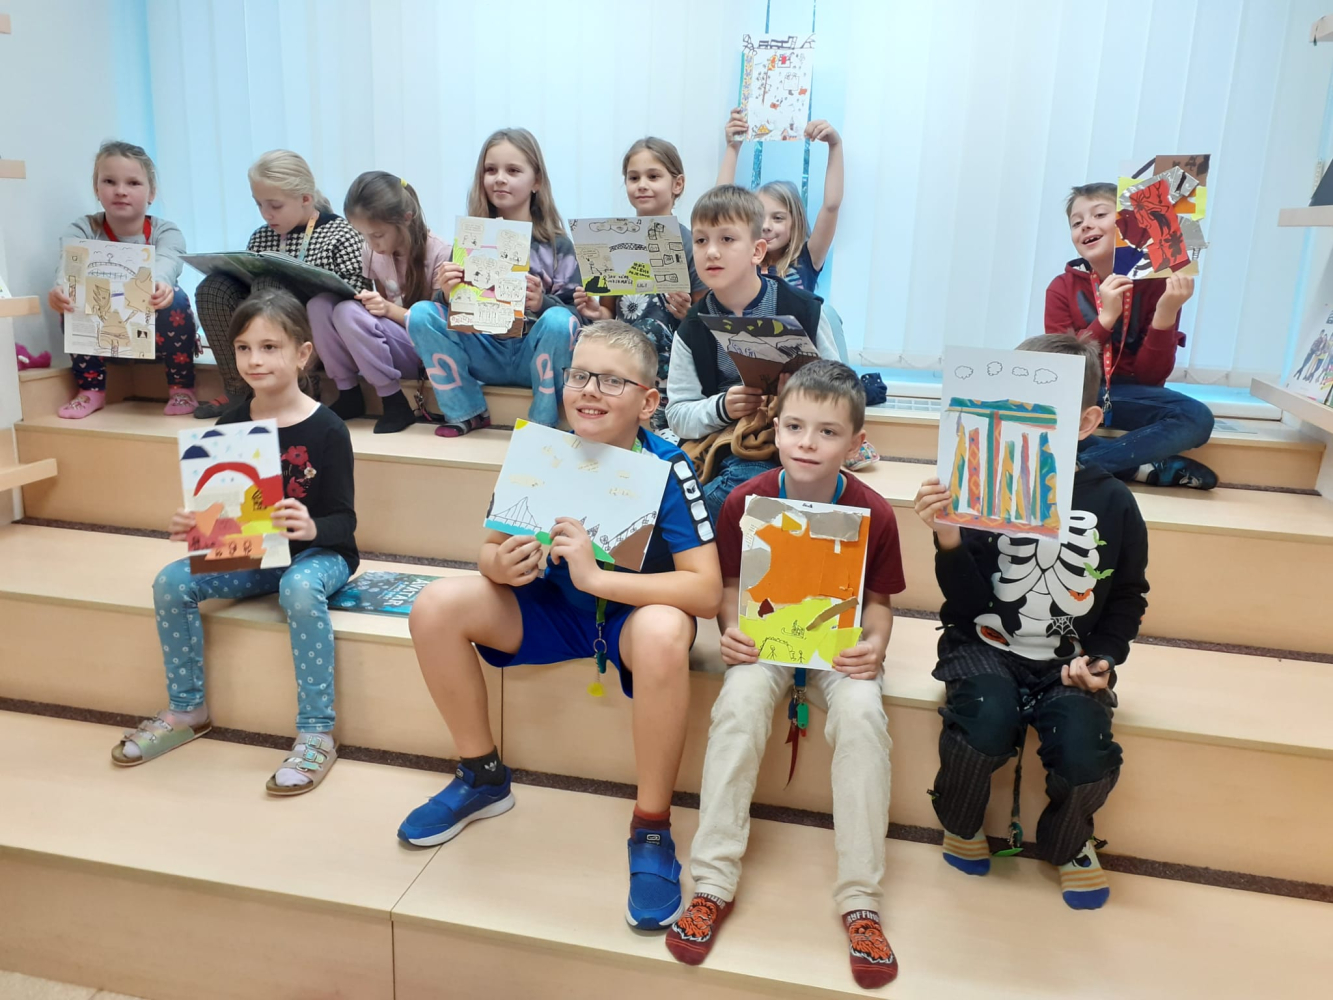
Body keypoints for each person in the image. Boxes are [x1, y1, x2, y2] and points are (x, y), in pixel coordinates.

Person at [396, 320, 721, 931]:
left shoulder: (667, 466)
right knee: (434, 605)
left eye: (612, 381)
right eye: (579, 376)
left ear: (649, 402)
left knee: (663, 631)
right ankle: (481, 776)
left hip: (628, 620)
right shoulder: (542, 452)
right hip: (549, 611)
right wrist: (500, 564)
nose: (590, 390)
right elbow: (488, 550)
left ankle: (651, 826)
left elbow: (704, 591)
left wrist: (600, 581)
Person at [666, 361, 903, 989]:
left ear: (855, 442)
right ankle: (712, 882)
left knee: (863, 717)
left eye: (828, 432)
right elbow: (729, 588)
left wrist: (875, 647)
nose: (807, 442)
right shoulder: (744, 501)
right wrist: (730, 629)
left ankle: (861, 900)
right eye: (795, 426)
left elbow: (880, 604)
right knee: (739, 706)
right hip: (766, 645)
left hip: (840, 648)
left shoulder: (874, 512)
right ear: (775, 427)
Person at [913, 334, 1149, 910]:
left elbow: (1128, 596)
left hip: (1069, 659)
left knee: (1086, 749)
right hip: (983, 643)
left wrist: (1105, 658)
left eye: (1048, 406)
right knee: (984, 717)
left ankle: (1069, 840)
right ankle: (961, 819)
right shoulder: (977, 489)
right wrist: (948, 539)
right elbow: (966, 604)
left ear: (1087, 420)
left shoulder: (1115, 502)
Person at [111, 289, 359, 795]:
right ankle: (187, 710)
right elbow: (227, 511)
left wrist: (312, 528)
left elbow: (345, 521)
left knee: (298, 588)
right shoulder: (231, 424)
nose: (254, 360)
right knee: (171, 582)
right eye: (244, 348)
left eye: (269, 347)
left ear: (302, 354)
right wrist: (197, 523)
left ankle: (317, 731)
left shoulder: (328, 428)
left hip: (321, 555)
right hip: (256, 555)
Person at [665, 185, 839, 522]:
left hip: (797, 439)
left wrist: (799, 396)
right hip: (729, 441)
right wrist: (722, 406)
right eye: (700, 240)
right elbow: (678, 414)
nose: (711, 252)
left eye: (727, 239)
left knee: (742, 486)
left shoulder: (803, 310)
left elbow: (842, 391)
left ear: (757, 251)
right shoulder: (692, 327)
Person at [406, 128, 581, 437]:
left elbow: (578, 319)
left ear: (536, 181)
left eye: (513, 170)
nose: (499, 178)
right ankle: (465, 412)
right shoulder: (470, 241)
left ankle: (543, 422)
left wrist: (543, 303)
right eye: (490, 170)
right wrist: (445, 294)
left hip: (534, 357)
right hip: (483, 351)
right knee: (420, 313)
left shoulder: (559, 247)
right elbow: (448, 312)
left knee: (558, 320)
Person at [1045, 182, 1215, 489]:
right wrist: (1105, 319)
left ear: (1129, 224)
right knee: (1040, 411)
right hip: (1081, 392)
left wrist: (1166, 313)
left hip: (1131, 394)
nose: (1086, 226)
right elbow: (1063, 369)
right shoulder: (1061, 287)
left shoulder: (1158, 284)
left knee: (1196, 417)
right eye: (1076, 222)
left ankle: (1081, 466)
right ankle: (1135, 467)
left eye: (1099, 214)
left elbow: (1151, 378)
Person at [193, 150, 367, 418]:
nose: (266, 214)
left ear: (305, 199)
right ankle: (239, 389)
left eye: (275, 206)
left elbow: (356, 299)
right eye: (259, 205)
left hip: (317, 340)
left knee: (269, 287)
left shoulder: (341, 234)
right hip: (266, 332)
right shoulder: (262, 237)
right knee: (212, 288)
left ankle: (299, 387)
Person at [48, 140, 200, 419]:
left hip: (156, 341)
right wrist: (61, 290)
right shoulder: (83, 228)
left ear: (151, 193)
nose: (120, 191)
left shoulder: (166, 232)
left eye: (133, 183)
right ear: (97, 189)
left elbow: (168, 260)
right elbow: (69, 265)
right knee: (73, 297)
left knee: (174, 297)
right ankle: (90, 388)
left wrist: (160, 284)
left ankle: (181, 388)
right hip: (104, 339)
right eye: (109, 181)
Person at [573, 137, 707, 433]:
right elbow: (610, 313)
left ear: (677, 184)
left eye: (653, 176)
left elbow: (705, 315)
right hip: (623, 355)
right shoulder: (611, 239)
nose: (642, 185)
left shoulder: (691, 243)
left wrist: (687, 312)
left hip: (671, 359)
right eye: (633, 178)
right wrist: (595, 312)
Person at [308, 171, 449, 433]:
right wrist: (374, 305)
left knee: (347, 312)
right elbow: (381, 307)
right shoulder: (371, 252)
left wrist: (387, 309)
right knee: (320, 305)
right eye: (364, 236)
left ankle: (393, 400)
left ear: (406, 218)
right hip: (391, 343)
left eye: (377, 235)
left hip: (425, 350)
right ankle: (347, 391)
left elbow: (436, 327)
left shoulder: (440, 252)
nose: (371, 244)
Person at [717, 108, 844, 294]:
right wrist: (732, 147)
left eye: (778, 218)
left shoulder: (807, 259)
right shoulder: (743, 260)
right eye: (759, 217)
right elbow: (718, 209)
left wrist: (835, 144)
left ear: (795, 222)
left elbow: (831, 206)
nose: (766, 226)